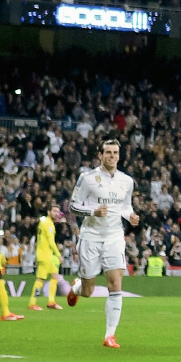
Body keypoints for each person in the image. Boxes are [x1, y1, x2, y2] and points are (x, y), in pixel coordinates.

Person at [69, 139, 139, 347]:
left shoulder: (127, 181)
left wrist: (131, 216)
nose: (112, 156)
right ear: (100, 155)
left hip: (114, 236)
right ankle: (77, 287)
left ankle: (110, 335)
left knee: (115, 283)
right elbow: (73, 206)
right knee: (89, 291)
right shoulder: (87, 178)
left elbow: (124, 206)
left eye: (115, 152)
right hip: (90, 236)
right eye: (108, 152)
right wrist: (93, 211)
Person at [28, 205, 73, 311]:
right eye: (54, 211)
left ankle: (51, 302)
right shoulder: (47, 224)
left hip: (48, 255)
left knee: (55, 277)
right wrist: (58, 254)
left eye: (58, 211)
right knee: (40, 279)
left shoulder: (48, 223)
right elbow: (51, 242)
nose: (57, 213)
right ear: (49, 212)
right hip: (45, 255)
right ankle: (32, 303)